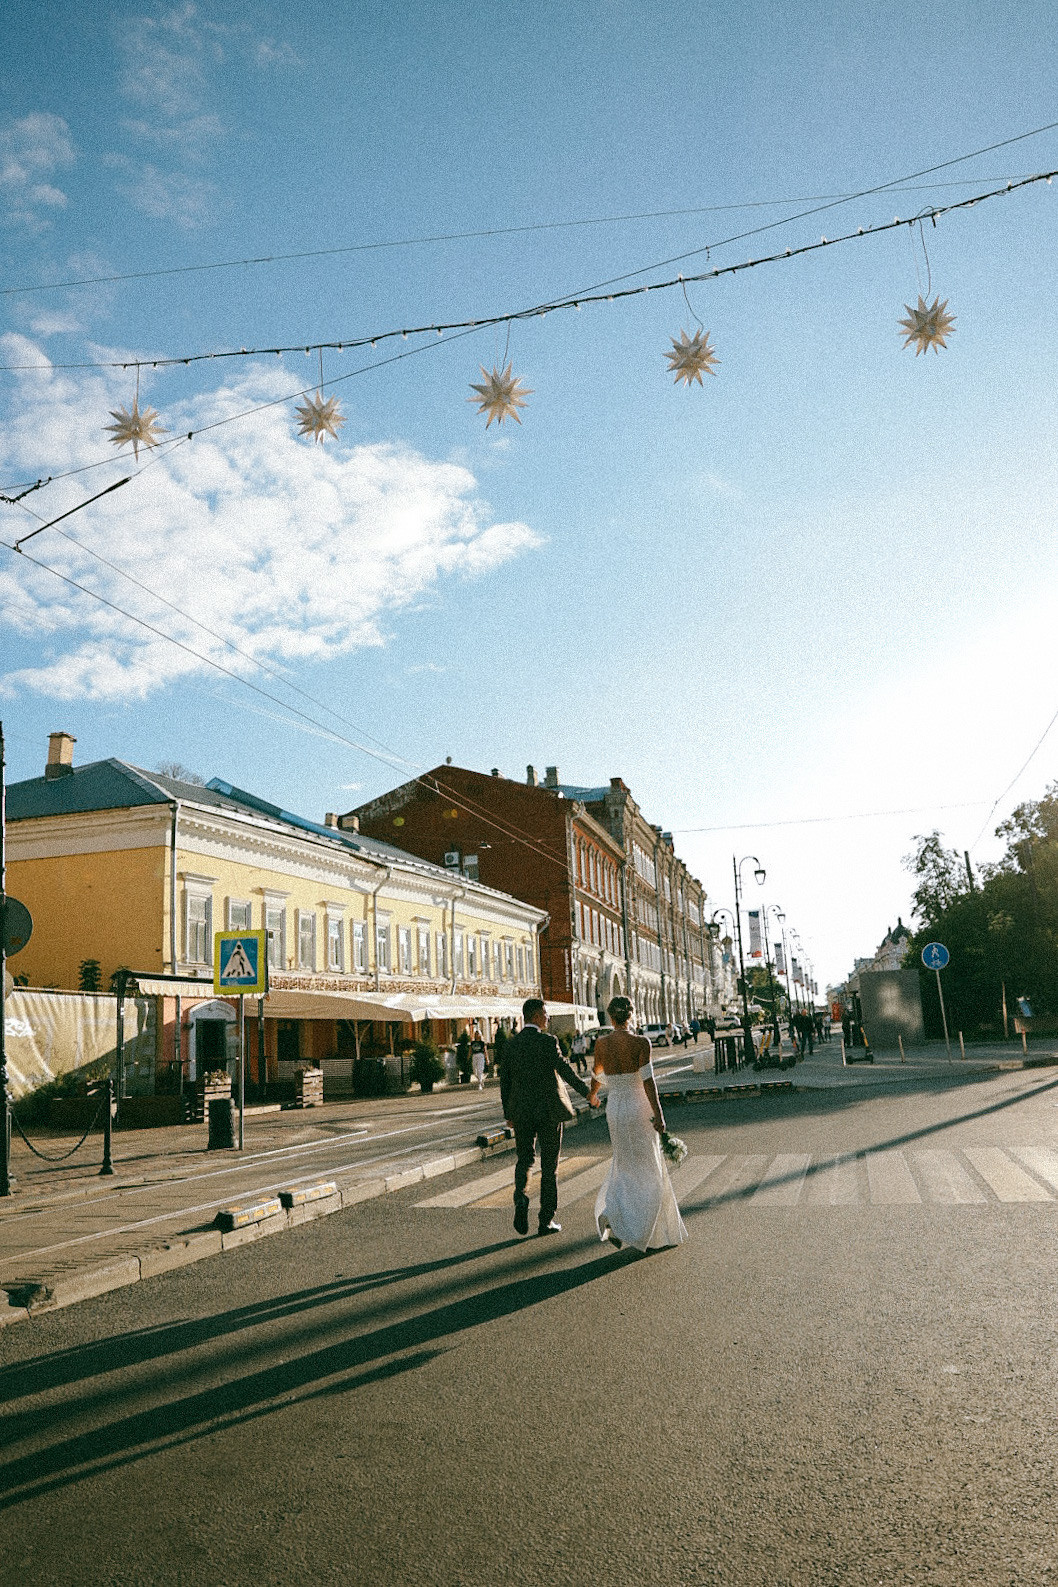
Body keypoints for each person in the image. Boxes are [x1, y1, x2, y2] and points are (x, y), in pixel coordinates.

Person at [589, 995, 688, 1253]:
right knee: (648, 1164)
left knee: (623, 1162)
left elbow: (597, 1074)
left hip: (616, 1109)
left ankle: (616, 1215)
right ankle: (645, 1227)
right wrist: (659, 1113)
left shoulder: (601, 1043)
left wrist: (592, 1095)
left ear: (610, 1017)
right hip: (638, 1105)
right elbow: (648, 1081)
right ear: (631, 1015)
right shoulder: (641, 1043)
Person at [500, 998, 592, 1236]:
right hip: (549, 1111)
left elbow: (505, 1082)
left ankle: (521, 1197)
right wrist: (588, 1093)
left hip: (521, 1112)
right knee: (549, 1166)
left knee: (525, 1159)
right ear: (535, 1016)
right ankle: (546, 1220)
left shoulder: (511, 1045)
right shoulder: (547, 1041)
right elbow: (565, 1070)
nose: (548, 1017)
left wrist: (508, 1113)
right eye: (545, 1013)